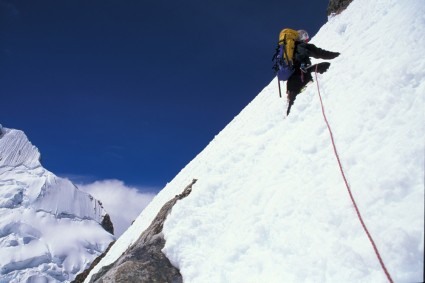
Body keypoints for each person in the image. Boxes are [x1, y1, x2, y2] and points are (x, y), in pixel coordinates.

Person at [286, 30, 340, 115]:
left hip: (291, 77)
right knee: (326, 65)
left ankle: (288, 114)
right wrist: (337, 55)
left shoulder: (289, 50)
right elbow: (319, 53)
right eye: (306, 38)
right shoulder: (303, 46)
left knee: (292, 100)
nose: (306, 40)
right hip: (303, 71)